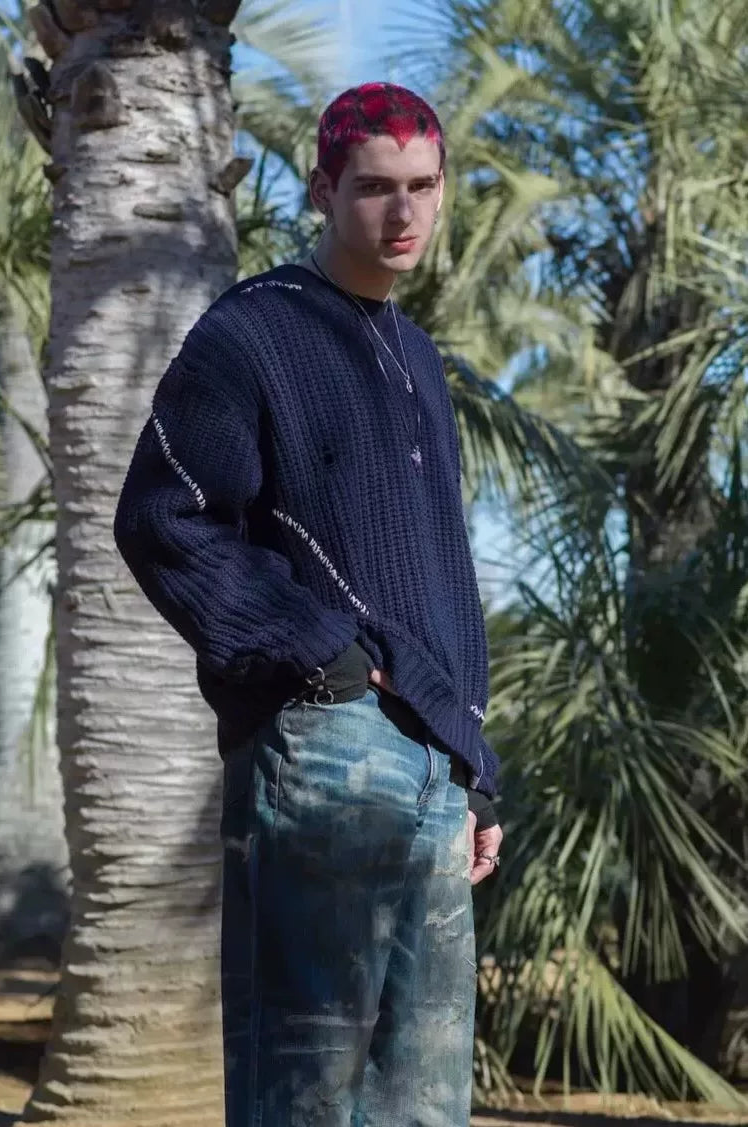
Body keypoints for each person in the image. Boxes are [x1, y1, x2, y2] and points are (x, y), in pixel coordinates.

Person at [114, 81, 504, 1127]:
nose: (404, 212)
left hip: (432, 760)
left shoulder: (417, 360)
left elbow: (440, 574)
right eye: (374, 187)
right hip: (326, 738)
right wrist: (314, 647)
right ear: (324, 190)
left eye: (423, 184)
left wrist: (474, 764)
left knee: (424, 1100)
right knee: (306, 1096)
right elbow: (163, 514)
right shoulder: (254, 332)